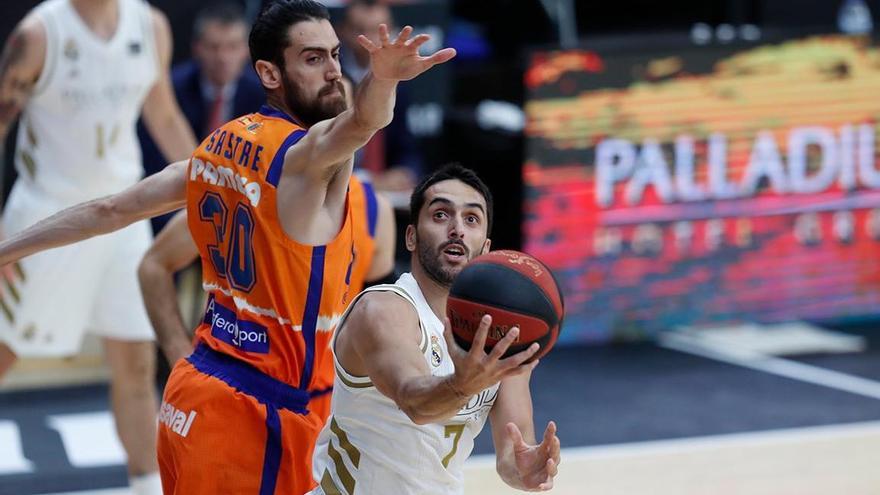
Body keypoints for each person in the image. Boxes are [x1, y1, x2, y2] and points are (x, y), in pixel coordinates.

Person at [0, 0, 455, 492]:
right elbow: (363, 121)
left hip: (196, 392)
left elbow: (109, 211)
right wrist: (383, 80)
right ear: (268, 72)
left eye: (335, 56)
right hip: (258, 412)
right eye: (312, 58)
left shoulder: (218, 146)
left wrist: (7, 249)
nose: (331, 72)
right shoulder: (302, 157)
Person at [0, 1, 198, 494]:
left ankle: (148, 485)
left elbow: (164, 115)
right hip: (48, 219)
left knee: (134, 360)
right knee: (4, 353)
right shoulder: (38, 35)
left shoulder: (149, 25)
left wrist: (216, 183)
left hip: (122, 213)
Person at [310, 164, 561, 494]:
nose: (457, 228)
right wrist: (460, 386)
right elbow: (415, 402)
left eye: (471, 219)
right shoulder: (383, 310)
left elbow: (512, 452)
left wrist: (525, 469)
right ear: (411, 236)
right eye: (441, 215)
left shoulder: (500, 334)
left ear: (485, 248)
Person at [137, 172, 396, 420]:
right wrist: (178, 353)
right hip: (233, 393)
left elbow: (379, 323)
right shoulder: (244, 191)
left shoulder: (373, 210)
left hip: (327, 405)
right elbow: (154, 265)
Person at [138, 1, 265, 233]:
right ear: (196, 48)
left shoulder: (263, 94)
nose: (223, 57)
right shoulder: (170, 89)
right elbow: (154, 160)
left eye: (233, 46)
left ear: (246, 50)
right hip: (177, 197)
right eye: (214, 47)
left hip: (241, 201)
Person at [338, 0, 423, 192]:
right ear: (342, 31)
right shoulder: (331, 76)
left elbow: (407, 147)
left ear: (392, 31)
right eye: (360, 30)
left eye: (378, 31)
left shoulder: (401, 80)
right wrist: (365, 180)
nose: (370, 39)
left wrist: (405, 172)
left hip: (385, 190)